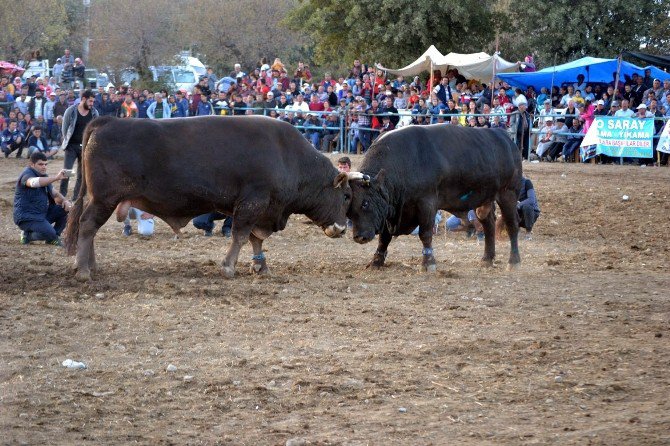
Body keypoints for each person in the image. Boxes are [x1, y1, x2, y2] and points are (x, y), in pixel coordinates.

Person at [14, 151, 73, 246]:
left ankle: (53, 238)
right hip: (26, 217)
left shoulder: (43, 176)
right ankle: (27, 235)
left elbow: (55, 194)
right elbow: (33, 182)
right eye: (40, 164)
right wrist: (56, 178)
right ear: (31, 164)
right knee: (49, 233)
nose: (44, 166)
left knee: (65, 209)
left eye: (45, 164)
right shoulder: (26, 174)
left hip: (41, 214)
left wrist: (65, 201)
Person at [60, 89, 98, 199]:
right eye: (90, 101)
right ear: (83, 99)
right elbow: (64, 129)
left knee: (82, 175)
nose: (92, 104)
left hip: (86, 147)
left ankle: (76, 198)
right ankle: (62, 195)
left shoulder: (94, 112)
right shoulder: (71, 111)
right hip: (71, 146)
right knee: (68, 171)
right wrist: (67, 142)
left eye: (93, 102)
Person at [496, 175, 540, 240]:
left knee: (527, 207)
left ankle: (528, 233)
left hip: (531, 213)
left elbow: (531, 200)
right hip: (517, 212)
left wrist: (518, 205)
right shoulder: (508, 185)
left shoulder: (527, 183)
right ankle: (515, 230)